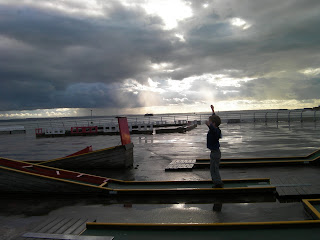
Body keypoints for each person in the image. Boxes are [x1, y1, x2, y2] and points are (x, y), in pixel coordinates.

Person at [206, 111, 223, 188]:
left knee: (214, 169)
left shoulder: (216, 131)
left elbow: (213, 129)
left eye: (210, 122)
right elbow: (215, 120)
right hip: (214, 152)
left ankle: (218, 183)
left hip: (215, 153)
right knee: (213, 168)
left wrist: (210, 126)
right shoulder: (216, 129)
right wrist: (213, 111)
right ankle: (216, 182)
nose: (208, 123)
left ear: (213, 124)